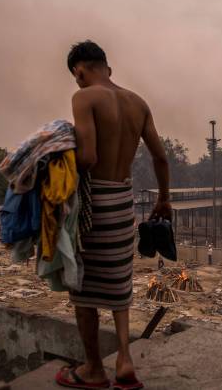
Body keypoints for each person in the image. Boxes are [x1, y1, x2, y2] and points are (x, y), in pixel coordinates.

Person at [56, 40, 171, 390]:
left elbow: (88, 157)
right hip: (124, 202)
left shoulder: (85, 97)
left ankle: (93, 369)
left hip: (95, 203)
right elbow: (160, 157)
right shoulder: (139, 103)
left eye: (77, 77)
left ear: (80, 71)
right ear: (108, 66)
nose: (78, 83)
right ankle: (124, 359)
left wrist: (51, 169)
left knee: (83, 289)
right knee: (120, 283)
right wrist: (164, 199)